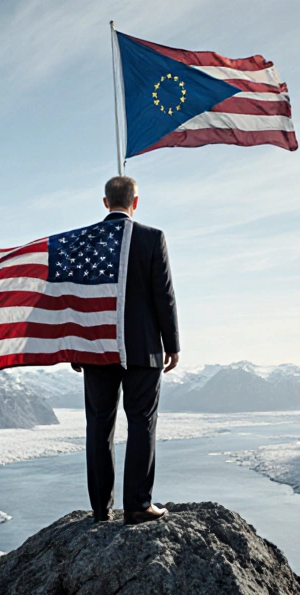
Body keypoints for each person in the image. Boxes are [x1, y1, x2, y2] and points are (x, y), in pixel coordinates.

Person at [72, 176, 180, 526]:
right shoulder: (152, 238)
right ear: (136, 201)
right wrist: (172, 344)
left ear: (105, 203)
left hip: (96, 346)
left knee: (99, 427)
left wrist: (77, 348)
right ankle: (137, 506)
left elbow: (75, 297)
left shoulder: (83, 242)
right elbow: (163, 295)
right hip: (144, 348)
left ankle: (101, 510)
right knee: (142, 424)